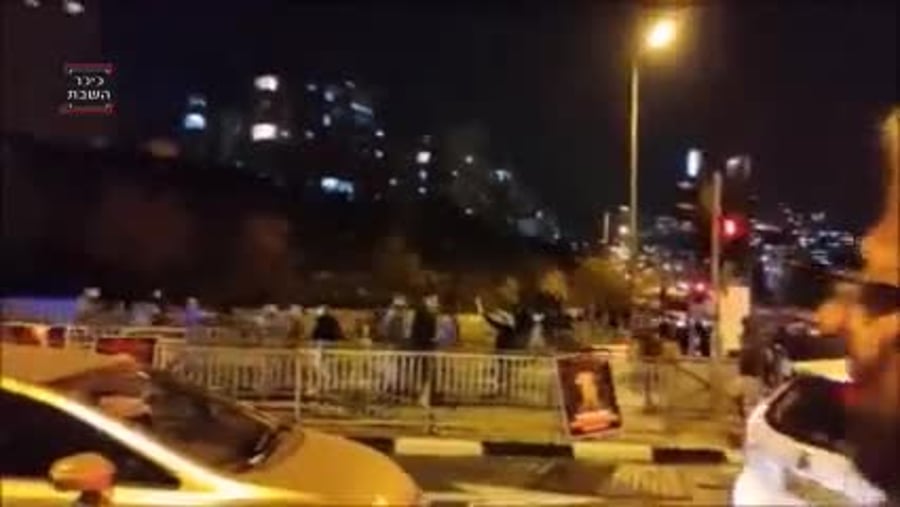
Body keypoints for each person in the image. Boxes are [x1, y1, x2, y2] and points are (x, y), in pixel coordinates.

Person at [409, 294, 440, 405]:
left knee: (425, 373)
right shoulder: (424, 314)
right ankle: (424, 397)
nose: (436, 304)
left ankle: (425, 396)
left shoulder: (426, 314)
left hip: (424, 348)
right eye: (434, 301)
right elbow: (422, 332)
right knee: (424, 373)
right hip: (424, 348)